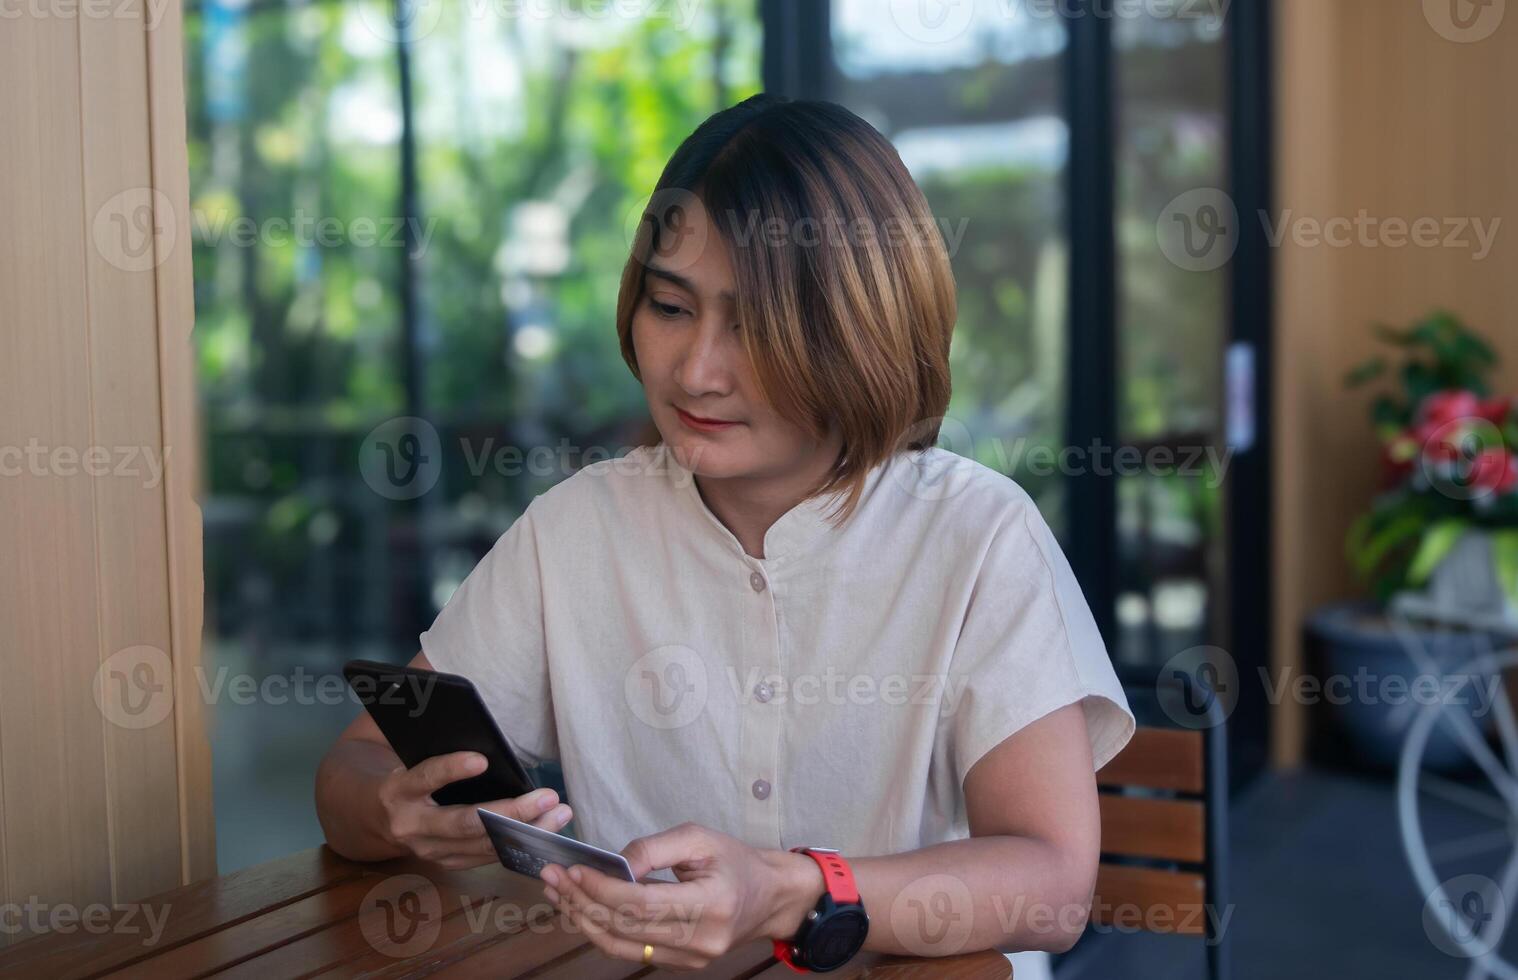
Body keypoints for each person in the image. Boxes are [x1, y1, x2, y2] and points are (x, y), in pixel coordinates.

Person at [316, 92, 1134, 976]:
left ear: (864, 331)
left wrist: (792, 891)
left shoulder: (977, 536)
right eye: (670, 308)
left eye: (752, 325)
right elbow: (352, 770)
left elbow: (1052, 887)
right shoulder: (579, 528)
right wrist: (396, 811)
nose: (697, 371)